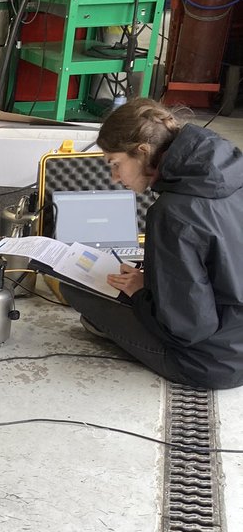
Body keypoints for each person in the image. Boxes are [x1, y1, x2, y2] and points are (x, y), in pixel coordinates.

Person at [60, 98, 243, 390]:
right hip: (235, 336)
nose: (115, 177)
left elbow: (189, 329)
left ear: (143, 151)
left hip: (209, 362)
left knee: (74, 287)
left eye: (116, 164)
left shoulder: (172, 212)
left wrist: (140, 292)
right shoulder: (230, 169)